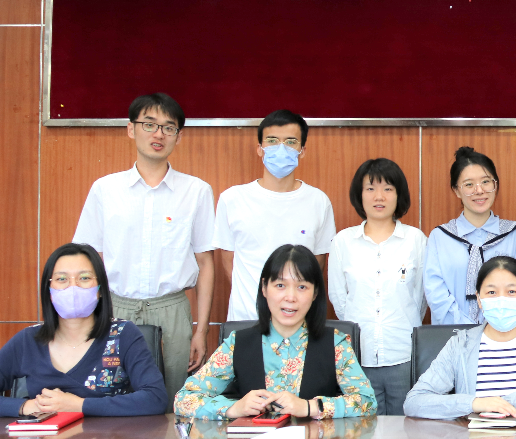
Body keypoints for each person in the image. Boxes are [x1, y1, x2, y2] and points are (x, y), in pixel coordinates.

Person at [71, 93, 217, 400]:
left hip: (172, 311)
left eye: (168, 127)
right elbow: (85, 261)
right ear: (131, 129)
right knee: (111, 398)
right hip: (116, 308)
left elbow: (206, 263)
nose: (158, 134)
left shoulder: (196, 191)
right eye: (149, 124)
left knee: (174, 400)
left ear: (179, 136)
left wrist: (201, 331)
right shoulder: (105, 189)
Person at [174, 245, 376, 419]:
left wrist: (309, 407)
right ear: (264, 288)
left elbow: (367, 401)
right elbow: (184, 399)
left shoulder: (335, 344)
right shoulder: (237, 344)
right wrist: (234, 408)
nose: (290, 297)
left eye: (302, 287)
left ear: (315, 293)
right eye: (280, 285)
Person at [0, 243, 167, 416]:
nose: (73, 287)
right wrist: (25, 406)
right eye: (61, 279)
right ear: (49, 291)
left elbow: (155, 398)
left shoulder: (122, 334)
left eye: (85, 278)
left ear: (100, 289)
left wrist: (79, 405)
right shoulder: (28, 340)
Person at [405, 256, 516, 419]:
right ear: (479, 299)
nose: (501, 300)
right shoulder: (460, 345)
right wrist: (474, 404)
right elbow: (415, 402)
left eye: (511, 291)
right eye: (491, 292)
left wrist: (510, 402)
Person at [214, 110, 336, 322]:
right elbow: (229, 263)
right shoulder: (232, 199)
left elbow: (316, 266)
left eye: (290, 142)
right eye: (272, 141)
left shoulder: (319, 201)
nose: (281, 148)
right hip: (246, 320)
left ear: (302, 150)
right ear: (259, 149)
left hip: (298, 323)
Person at [329, 158, 427, 416]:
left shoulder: (415, 240)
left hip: (404, 355)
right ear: (359, 195)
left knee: (406, 428)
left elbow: (420, 297)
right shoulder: (343, 242)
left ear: (398, 194)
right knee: (363, 428)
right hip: (357, 357)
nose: (379, 196)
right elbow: (339, 298)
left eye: (388, 188)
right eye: (370, 188)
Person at [425, 147, 516, 325]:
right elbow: (436, 294)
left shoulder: (515, 234)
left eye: (486, 182)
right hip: (451, 335)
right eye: (469, 184)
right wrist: (468, 329)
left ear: (495, 185)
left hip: (504, 333)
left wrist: (492, 330)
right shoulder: (440, 237)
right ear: (456, 190)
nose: (479, 190)